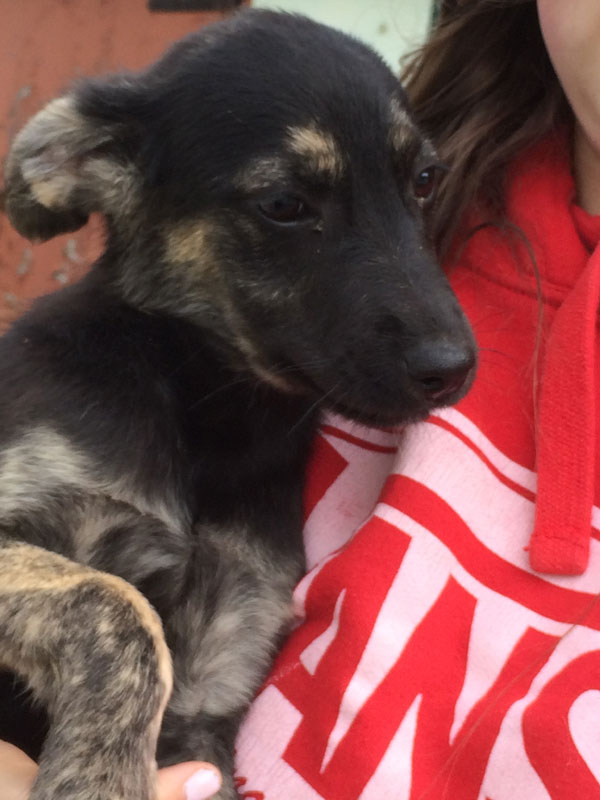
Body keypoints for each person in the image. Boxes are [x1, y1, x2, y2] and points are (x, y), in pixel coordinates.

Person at [3, 0, 600, 797]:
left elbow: (193, 749)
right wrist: (109, 640)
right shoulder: (52, 384)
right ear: (96, 164)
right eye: (286, 206)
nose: (444, 345)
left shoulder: (286, 451)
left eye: (417, 183)